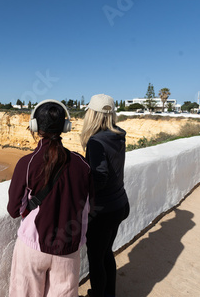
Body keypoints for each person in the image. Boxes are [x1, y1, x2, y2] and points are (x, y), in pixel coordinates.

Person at [7, 99, 92, 297]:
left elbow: (13, 210)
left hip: (33, 248)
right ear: (66, 127)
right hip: (68, 251)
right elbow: (89, 205)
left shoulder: (26, 164)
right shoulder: (82, 165)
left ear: (35, 127)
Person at [80, 94, 130, 297]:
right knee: (106, 252)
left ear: (91, 114)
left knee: (96, 259)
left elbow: (99, 176)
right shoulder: (118, 134)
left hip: (103, 211)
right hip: (119, 204)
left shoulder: (96, 141)